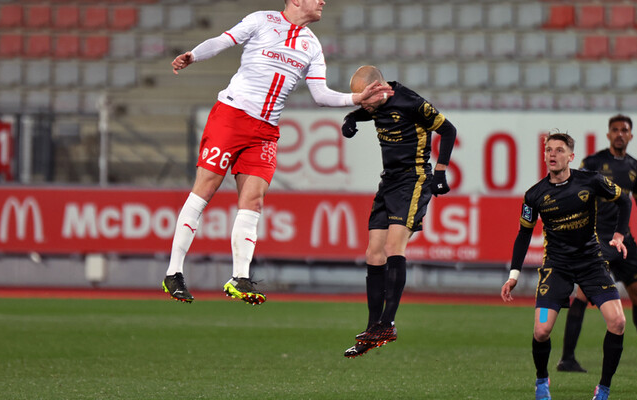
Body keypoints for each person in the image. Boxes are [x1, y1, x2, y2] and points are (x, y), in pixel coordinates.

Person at [163, 0, 393, 305]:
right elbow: (223, 40)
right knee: (205, 188)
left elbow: (321, 95)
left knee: (254, 200)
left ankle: (239, 277)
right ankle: (174, 272)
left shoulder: (312, 45)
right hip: (231, 116)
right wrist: (193, 55)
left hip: (266, 130)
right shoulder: (261, 20)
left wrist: (356, 98)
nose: (323, 1)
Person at [501, 133, 632, 400]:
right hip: (556, 266)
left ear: (571, 157)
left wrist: (619, 235)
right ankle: (541, 382)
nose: (552, 154)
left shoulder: (591, 180)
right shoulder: (534, 196)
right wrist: (513, 275)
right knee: (541, 330)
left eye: (559, 150)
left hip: (591, 262)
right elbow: (524, 234)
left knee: (618, 322)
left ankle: (603, 388)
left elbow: (624, 200)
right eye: (548, 149)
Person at [338, 66, 457, 358]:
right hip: (388, 181)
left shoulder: (411, 102)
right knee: (372, 254)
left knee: (393, 248)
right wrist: (351, 117)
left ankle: (388, 324)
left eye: (365, 98)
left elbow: (448, 129)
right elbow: (368, 112)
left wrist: (440, 171)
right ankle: (372, 328)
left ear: (379, 89)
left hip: (413, 179)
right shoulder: (375, 103)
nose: (362, 103)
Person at [557, 114, 637, 374]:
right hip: (596, 239)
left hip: (624, 239)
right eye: (615, 130)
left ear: (631, 135)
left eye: (624, 130)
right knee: (583, 294)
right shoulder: (594, 162)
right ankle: (567, 358)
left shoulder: (636, 167)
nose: (620, 134)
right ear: (608, 134)